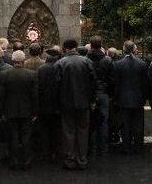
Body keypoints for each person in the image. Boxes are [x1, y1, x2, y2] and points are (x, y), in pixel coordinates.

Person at [56, 38, 97, 170]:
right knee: (83, 131)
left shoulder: (60, 63)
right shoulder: (87, 61)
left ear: (65, 48)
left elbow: (56, 85)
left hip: (66, 103)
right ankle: (82, 159)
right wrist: (92, 100)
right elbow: (93, 83)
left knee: (68, 131)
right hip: (84, 103)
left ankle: (70, 160)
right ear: (76, 47)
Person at [0, 50, 38, 170]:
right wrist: (35, 111)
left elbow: (0, 95)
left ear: (13, 60)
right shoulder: (32, 74)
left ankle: (14, 161)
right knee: (26, 137)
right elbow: (34, 95)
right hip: (27, 110)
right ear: (23, 60)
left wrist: (0, 112)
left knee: (13, 136)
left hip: (10, 110)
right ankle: (26, 161)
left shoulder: (5, 74)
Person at [112, 40, 148, 154]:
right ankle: (138, 146)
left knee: (125, 125)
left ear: (124, 49)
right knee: (138, 124)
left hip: (123, 99)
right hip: (138, 98)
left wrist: (116, 98)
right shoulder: (142, 64)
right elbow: (145, 83)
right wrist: (144, 97)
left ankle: (126, 147)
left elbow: (116, 84)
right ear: (134, 49)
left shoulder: (118, 64)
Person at [87, 35, 113, 157]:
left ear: (91, 45)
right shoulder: (107, 60)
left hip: (91, 94)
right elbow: (112, 78)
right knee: (103, 122)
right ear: (101, 45)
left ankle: (92, 148)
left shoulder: (86, 59)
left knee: (91, 122)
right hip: (104, 93)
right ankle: (103, 148)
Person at [38, 45, 62, 162]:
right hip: (57, 104)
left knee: (44, 130)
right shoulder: (59, 67)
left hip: (44, 104)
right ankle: (56, 151)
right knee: (56, 129)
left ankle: (45, 152)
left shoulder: (41, 69)